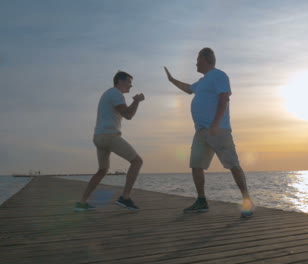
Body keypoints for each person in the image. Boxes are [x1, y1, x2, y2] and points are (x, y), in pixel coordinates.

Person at [164, 47, 255, 218]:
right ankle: (201, 201)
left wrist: (215, 123)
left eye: (198, 59)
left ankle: (247, 201)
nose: (196, 63)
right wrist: (171, 79)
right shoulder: (202, 81)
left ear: (206, 59)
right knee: (196, 165)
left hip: (218, 129)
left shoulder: (219, 75)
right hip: (201, 131)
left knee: (233, 165)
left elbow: (224, 98)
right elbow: (188, 88)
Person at [75, 71, 145, 211]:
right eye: (129, 82)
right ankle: (125, 198)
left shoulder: (110, 94)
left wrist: (134, 102)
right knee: (137, 161)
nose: (131, 86)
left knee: (102, 170)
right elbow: (128, 115)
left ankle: (82, 202)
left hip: (99, 137)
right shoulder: (115, 94)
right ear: (120, 81)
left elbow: (124, 113)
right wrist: (136, 101)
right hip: (109, 136)